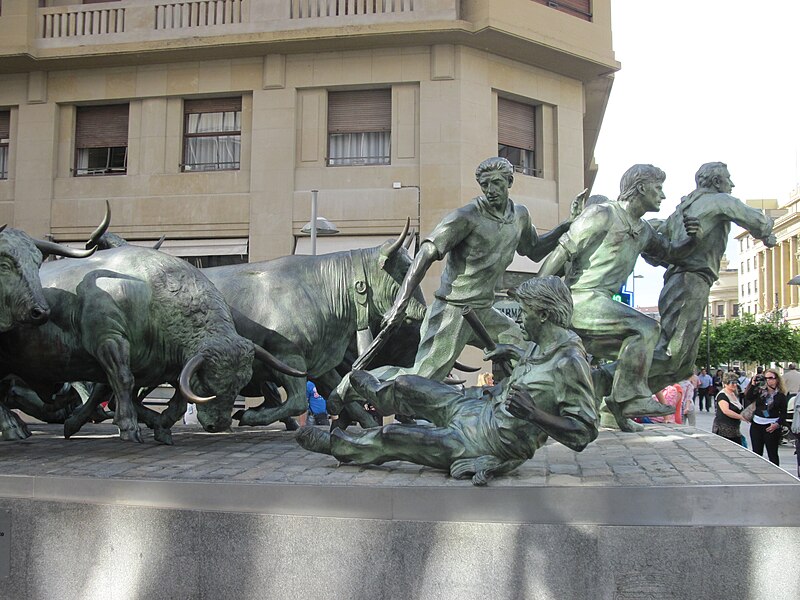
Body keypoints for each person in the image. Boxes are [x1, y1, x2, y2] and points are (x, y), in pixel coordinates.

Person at [330, 157, 584, 417]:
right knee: (422, 376)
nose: (491, 190)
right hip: (452, 311)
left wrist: (567, 224)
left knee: (524, 346)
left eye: (496, 183)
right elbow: (425, 255)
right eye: (485, 185)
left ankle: (510, 412)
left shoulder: (519, 216)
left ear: (509, 181)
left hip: (484, 311)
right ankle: (349, 386)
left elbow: (535, 250)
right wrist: (400, 304)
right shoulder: (466, 217)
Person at [297, 277, 598, 485]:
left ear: (544, 315)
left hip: (488, 442)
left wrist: (534, 414)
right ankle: (372, 392)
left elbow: (583, 433)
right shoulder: (537, 344)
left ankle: (341, 445)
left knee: (395, 437)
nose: (521, 320)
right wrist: (516, 352)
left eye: (526, 313)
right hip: (478, 409)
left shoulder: (570, 363)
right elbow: (536, 370)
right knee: (408, 385)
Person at [537, 164, 700, 430]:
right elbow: (562, 251)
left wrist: (693, 239)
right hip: (580, 300)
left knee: (642, 352)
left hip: (600, 305)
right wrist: (538, 294)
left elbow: (670, 254)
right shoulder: (603, 213)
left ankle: (612, 411)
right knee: (646, 328)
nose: (663, 195)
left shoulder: (644, 229)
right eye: (658, 188)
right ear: (640, 187)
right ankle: (630, 398)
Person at [646, 162, 775, 390]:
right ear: (716, 182)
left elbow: (661, 244)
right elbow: (757, 220)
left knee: (683, 363)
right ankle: (608, 385)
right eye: (728, 178)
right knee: (674, 355)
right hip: (691, 281)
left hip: (677, 282)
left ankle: (624, 394)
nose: (732, 184)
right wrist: (767, 231)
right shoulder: (720, 200)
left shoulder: (683, 208)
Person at [747, 368, 788, 466]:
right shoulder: (760, 391)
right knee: (757, 452)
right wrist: (753, 384)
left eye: (770, 378)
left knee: (772, 453)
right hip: (757, 425)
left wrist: (777, 424)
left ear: (776, 379)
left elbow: (783, 413)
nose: (768, 380)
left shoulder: (780, 395)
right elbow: (748, 397)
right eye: (766, 378)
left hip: (771, 426)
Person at [712, 371, 745, 444]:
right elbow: (726, 411)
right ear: (725, 383)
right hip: (723, 430)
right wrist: (741, 417)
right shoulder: (722, 395)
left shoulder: (733, 394)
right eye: (732, 383)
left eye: (736, 382)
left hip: (734, 430)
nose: (735, 385)